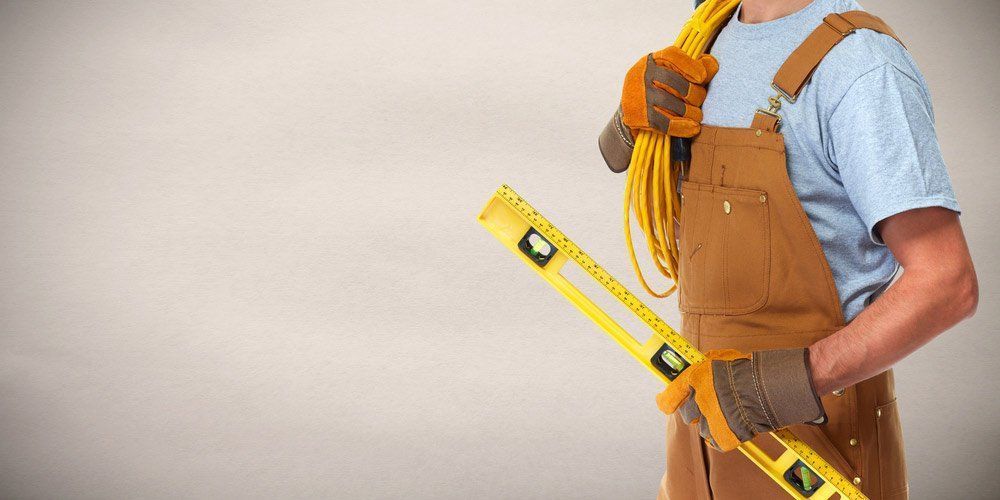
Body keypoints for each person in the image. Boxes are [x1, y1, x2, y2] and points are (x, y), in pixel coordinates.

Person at [598, 0, 978, 498]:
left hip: (817, 449)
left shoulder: (860, 65)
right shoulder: (709, 34)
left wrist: (772, 389)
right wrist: (624, 129)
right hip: (700, 437)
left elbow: (946, 284)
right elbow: (637, 161)